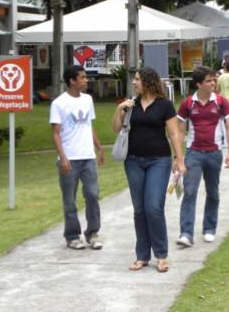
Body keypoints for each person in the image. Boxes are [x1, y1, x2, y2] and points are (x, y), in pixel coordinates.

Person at [111, 67, 184, 273]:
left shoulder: (165, 105)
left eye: (137, 79)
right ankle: (142, 255)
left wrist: (179, 158)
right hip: (133, 161)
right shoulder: (131, 105)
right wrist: (120, 110)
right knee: (139, 210)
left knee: (153, 207)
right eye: (134, 79)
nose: (134, 83)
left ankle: (161, 255)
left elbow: (174, 133)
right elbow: (116, 128)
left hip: (158, 161)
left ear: (148, 82)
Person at [176, 66, 229, 247]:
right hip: (193, 153)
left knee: (213, 192)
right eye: (209, 80)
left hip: (214, 153)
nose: (213, 83)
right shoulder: (187, 103)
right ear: (199, 84)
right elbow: (179, 132)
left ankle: (209, 229)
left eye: (214, 80)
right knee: (190, 191)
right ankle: (186, 233)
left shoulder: (220, 101)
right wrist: (178, 158)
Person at [50, 65, 105, 250]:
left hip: (87, 157)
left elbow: (88, 126)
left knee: (92, 194)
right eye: (82, 77)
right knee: (69, 200)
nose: (86, 80)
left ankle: (93, 233)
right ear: (72, 81)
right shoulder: (59, 103)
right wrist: (62, 157)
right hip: (70, 159)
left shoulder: (88, 100)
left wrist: (99, 147)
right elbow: (56, 133)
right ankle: (72, 236)